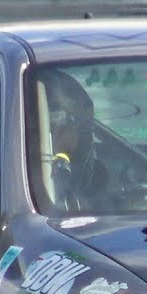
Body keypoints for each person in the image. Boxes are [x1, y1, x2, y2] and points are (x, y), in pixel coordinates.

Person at [40, 69, 108, 209]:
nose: (84, 136)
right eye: (73, 121)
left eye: (86, 127)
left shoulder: (86, 174)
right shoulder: (24, 187)